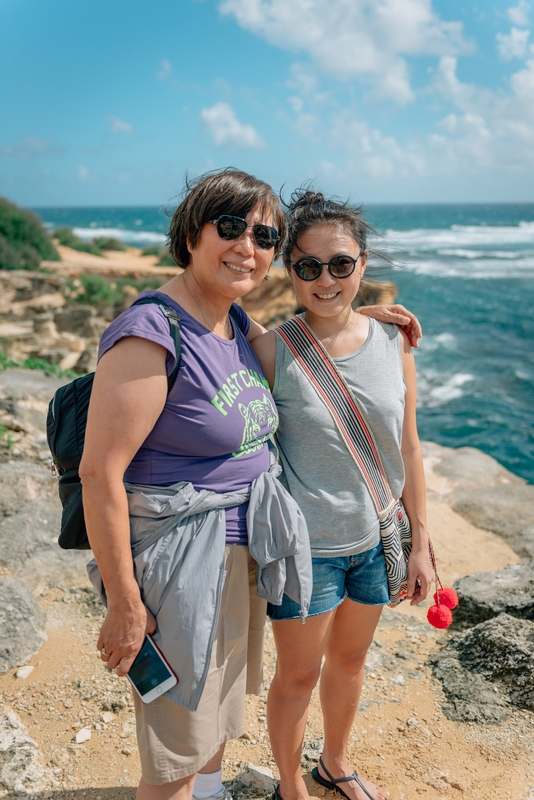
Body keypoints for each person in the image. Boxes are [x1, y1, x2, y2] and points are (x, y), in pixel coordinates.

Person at [79, 168, 423, 800]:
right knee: (177, 741)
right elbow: (99, 473)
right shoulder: (154, 330)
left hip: (242, 552)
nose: (248, 246)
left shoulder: (231, 322)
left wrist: (357, 317)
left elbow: (312, 347)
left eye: (264, 235)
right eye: (231, 227)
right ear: (190, 233)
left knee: (216, 714)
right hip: (182, 559)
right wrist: (126, 603)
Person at [251, 190, 434, 800]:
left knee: (351, 666)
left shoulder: (393, 343)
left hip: (377, 537)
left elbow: (408, 447)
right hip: (307, 552)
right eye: (307, 267)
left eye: (340, 264)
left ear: (362, 264)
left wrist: (421, 544)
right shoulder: (271, 350)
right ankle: (289, 788)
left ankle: (333, 763)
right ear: (289, 272)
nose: (325, 280)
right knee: (298, 675)